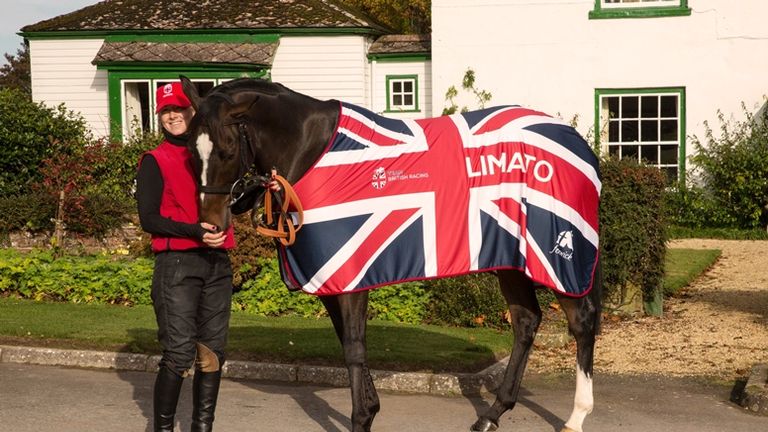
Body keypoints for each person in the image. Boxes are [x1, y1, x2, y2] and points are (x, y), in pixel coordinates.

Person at [136, 82, 236, 432]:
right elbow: (148, 219)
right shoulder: (155, 160)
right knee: (179, 355)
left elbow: (230, 201)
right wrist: (195, 231)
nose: (172, 115)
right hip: (177, 266)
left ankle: (202, 428)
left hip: (217, 264)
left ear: (195, 111)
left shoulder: (215, 155)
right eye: (165, 110)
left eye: (178, 108)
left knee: (212, 354)